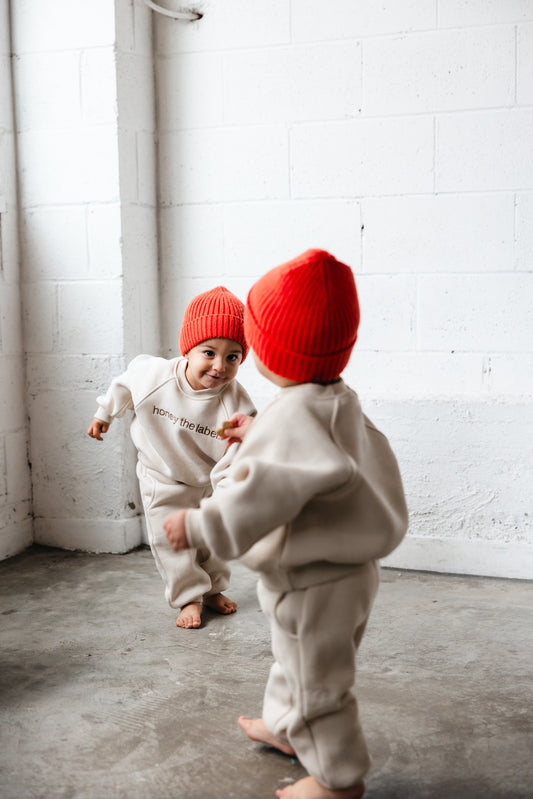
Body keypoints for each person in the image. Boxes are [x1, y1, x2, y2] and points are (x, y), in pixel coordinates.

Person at [163, 249, 409, 798]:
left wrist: (203, 526)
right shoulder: (330, 397)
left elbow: (262, 493)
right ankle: (284, 726)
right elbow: (321, 453)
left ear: (270, 351)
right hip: (341, 574)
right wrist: (258, 428)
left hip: (315, 581)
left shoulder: (295, 419)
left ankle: (338, 779)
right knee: (294, 659)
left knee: (318, 682)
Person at [87, 286, 256, 629]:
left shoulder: (234, 404)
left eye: (232, 357)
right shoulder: (155, 377)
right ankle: (189, 597)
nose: (219, 367)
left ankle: (213, 590)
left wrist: (224, 501)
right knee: (173, 541)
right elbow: (124, 385)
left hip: (208, 480)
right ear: (188, 349)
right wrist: (105, 413)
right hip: (160, 476)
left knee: (212, 539)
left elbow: (237, 455)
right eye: (209, 352)